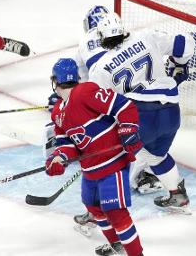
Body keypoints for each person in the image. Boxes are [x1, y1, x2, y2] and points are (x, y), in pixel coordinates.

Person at [82, 9, 193, 214]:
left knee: (112, 159)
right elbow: (186, 44)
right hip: (171, 112)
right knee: (156, 156)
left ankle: (97, 212)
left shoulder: (101, 68)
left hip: (141, 117)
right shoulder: (146, 37)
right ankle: (177, 194)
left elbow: (98, 107)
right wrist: (179, 66)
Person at [46, 58, 144, 256]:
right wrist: (58, 158)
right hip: (90, 169)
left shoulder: (85, 92)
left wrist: (128, 128)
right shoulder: (57, 112)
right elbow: (67, 143)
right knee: (94, 207)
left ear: (55, 81)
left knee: (116, 212)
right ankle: (119, 247)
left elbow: (124, 106)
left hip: (112, 164)